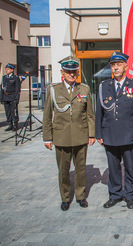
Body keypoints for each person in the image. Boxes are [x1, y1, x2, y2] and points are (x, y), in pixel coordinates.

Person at [42, 57, 95, 211]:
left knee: (80, 169)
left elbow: (90, 114)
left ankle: (80, 196)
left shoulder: (84, 89)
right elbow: (47, 115)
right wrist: (47, 137)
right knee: (63, 171)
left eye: (74, 71)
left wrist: (91, 134)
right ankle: (65, 198)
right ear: (62, 72)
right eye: (68, 71)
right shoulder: (53, 89)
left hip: (80, 135)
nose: (71, 74)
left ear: (78, 72)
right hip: (61, 137)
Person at [95, 51, 133, 210]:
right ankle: (115, 195)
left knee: (130, 168)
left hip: (128, 134)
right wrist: (98, 133)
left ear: (126, 66)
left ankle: (130, 196)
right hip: (109, 134)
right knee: (113, 168)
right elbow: (99, 112)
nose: (115, 68)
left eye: (118, 64)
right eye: (113, 65)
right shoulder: (104, 86)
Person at [1, 64, 21, 131]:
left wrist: (17, 98)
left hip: (12, 96)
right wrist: (1, 97)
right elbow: (2, 88)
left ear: (12, 70)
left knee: (13, 111)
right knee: (8, 111)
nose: (6, 70)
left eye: (8, 69)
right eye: (6, 69)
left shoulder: (15, 78)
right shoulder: (4, 77)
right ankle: (10, 124)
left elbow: (17, 89)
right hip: (6, 96)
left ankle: (15, 124)